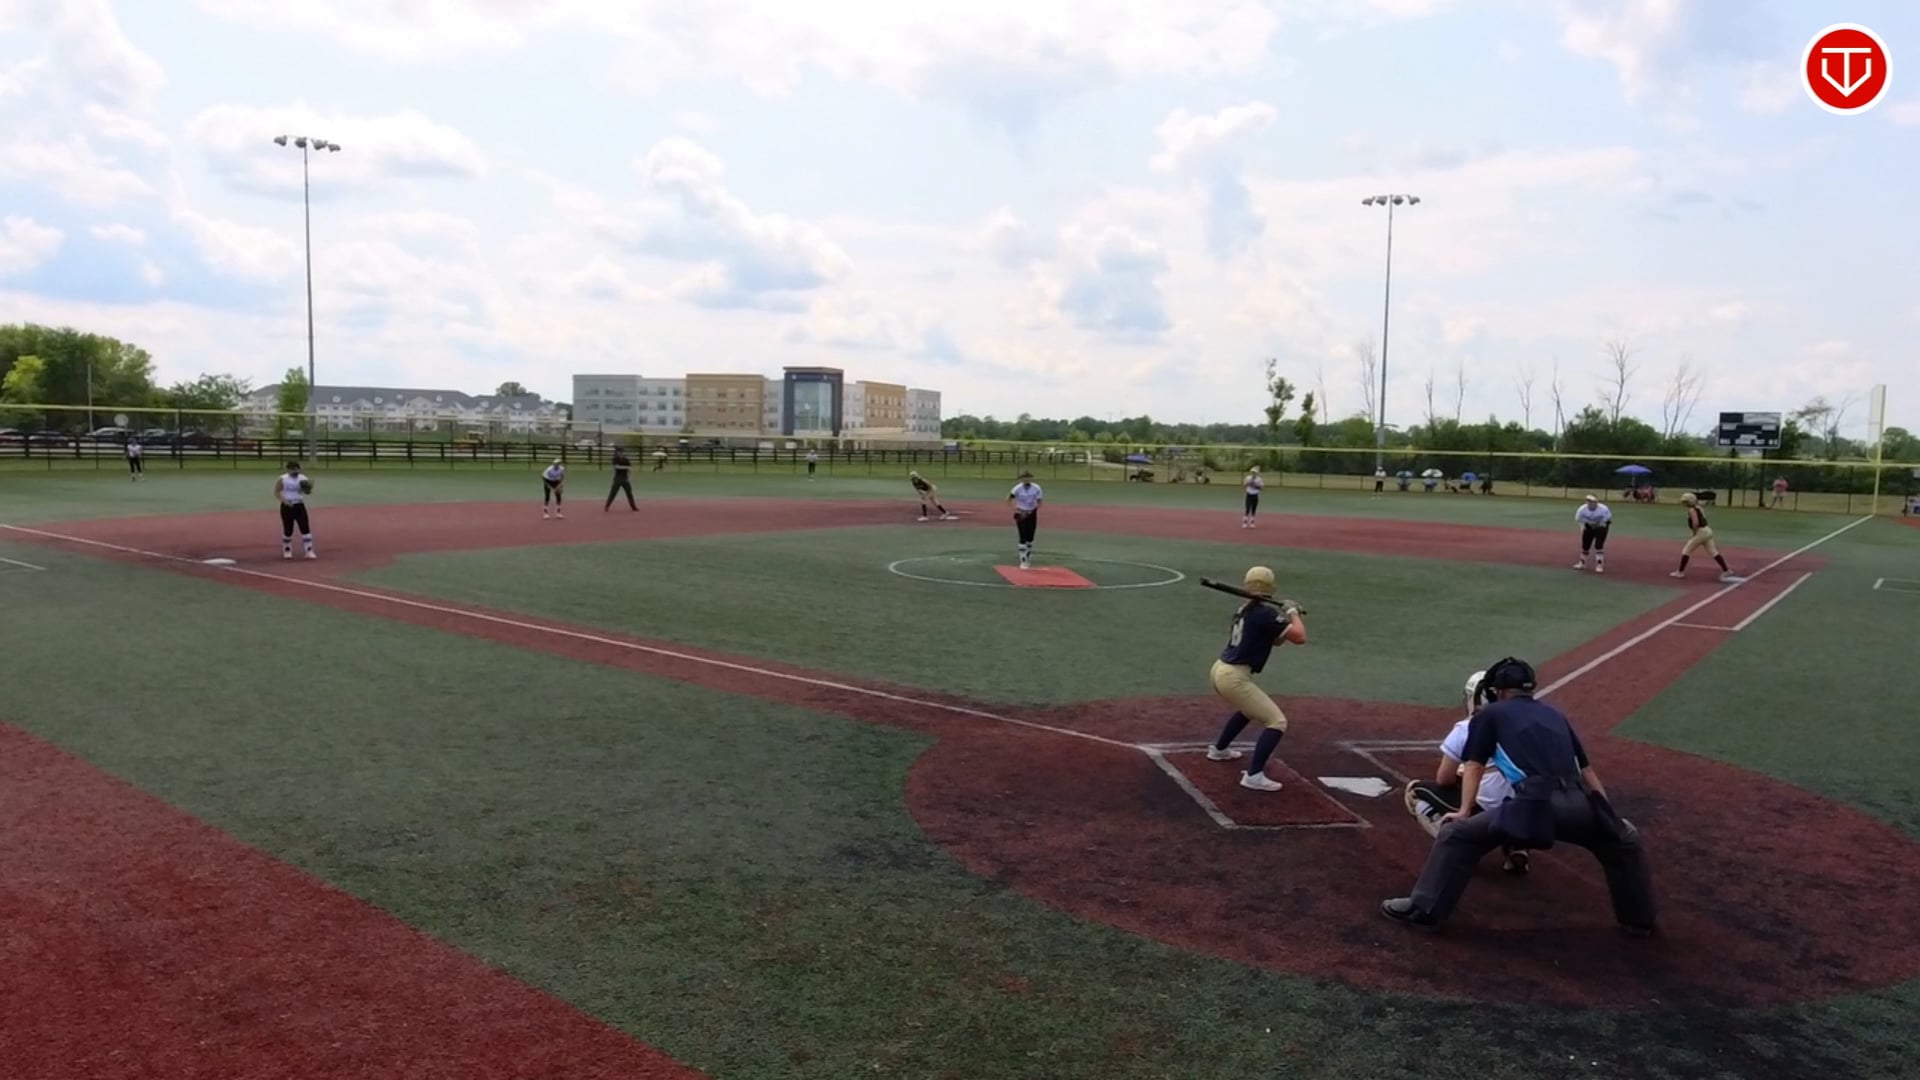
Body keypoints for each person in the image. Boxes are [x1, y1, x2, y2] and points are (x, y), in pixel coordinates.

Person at [1380, 657, 1656, 935]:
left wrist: (1464, 811)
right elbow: (1586, 771)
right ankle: (1640, 920)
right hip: (1579, 801)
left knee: (1457, 836)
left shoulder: (1490, 714)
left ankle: (1423, 909)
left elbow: (1474, 765)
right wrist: (1605, 813)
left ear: (1498, 691)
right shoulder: (1555, 715)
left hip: (1533, 807)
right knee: (1625, 841)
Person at [1404, 670, 1528, 875]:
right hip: (1529, 811)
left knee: (1414, 791)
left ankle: (1456, 846)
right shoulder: (1526, 725)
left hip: (1486, 814)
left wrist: (1464, 778)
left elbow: (1444, 779)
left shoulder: (1466, 728)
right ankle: (1518, 846)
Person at [1204, 566, 1307, 792]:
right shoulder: (1263, 613)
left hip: (1221, 670)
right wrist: (1293, 613)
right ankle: (1254, 776)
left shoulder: (1245, 610)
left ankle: (1219, 750)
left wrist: (1286, 620)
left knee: (1249, 709)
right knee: (1277, 722)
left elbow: (1276, 639)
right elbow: (1300, 637)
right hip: (1234, 676)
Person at [1672, 492, 1738, 582]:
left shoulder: (1691, 510)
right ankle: (1727, 570)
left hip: (1701, 532)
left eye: (1685, 502)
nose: (1684, 504)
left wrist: (1694, 533)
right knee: (1713, 552)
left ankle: (1680, 572)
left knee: (1686, 550)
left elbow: (1695, 523)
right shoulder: (1698, 508)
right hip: (1707, 531)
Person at [274, 461, 316, 560]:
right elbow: (277, 492)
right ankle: (287, 550)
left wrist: (309, 488)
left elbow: (307, 492)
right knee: (288, 529)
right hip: (287, 506)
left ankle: (309, 550)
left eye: (297, 469)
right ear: (288, 469)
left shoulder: (302, 478)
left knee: (305, 527)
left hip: (299, 505)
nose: (295, 471)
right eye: (293, 469)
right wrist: (285, 501)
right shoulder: (283, 479)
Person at [1007, 471, 1043, 570]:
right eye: (1024, 478)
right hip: (1021, 512)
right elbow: (1009, 499)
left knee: (1030, 536)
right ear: (1021, 479)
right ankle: (1023, 559)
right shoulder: (1017, 488)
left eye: (1028, 478)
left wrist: (1034, 509)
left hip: (1032, 513)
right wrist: (1016, 510)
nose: (1026, 480)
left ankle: (1028, 553)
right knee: (1022, 535)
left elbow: (1039, 501)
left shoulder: (1036, 488)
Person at [1573, 494, 1611, 573]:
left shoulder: (1603, 509)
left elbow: (1607, 519)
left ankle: (1599, 565)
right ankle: (1582, 563)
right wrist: (1584, 527)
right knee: (1585, 545)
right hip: (1588, 526)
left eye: (1593, 502)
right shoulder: (1582, 509)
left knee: (1598, 545)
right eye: (1589, 502)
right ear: (1587, 502)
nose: (1592, 504)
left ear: (1597, 502)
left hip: (1601, 527)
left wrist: (1598, 525)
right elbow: (1578, 519)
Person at [605, 445, 637, 511]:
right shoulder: (615, 459)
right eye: (619, 452)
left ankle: (633, 507)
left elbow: (630, 469)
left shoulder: (626, 459)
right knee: (613, 492)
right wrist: (626, 467)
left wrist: (630, 477)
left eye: (622, 452)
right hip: (618, 478)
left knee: (629, 493)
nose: (621, 453)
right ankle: (607, 506)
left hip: (625, 478)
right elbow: (616, 467)